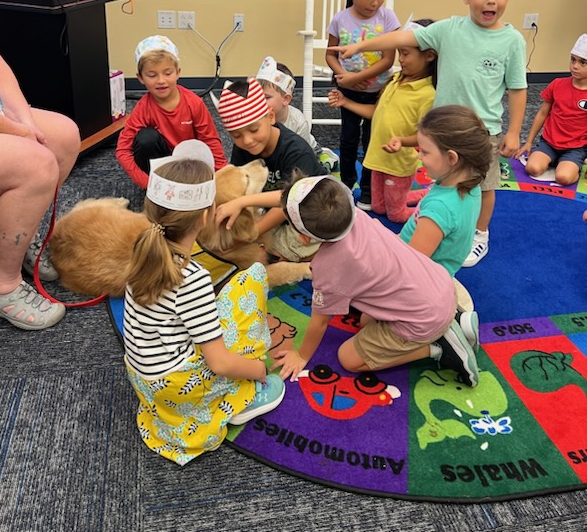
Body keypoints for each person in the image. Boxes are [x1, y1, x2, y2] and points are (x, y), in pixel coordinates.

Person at [329, 0, 527, 267]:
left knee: (483, 185)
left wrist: (515, 131)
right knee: (444, 178)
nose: (491, 0)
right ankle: (439, 222)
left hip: (482, 132)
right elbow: (401, 37)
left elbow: (517, 89)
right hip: (444, 128)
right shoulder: (447, 30)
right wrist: (361, 46)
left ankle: (479, 234)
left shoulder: (512, 41)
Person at [123, 139, 285, 466]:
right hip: (179, 387)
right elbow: (220, 363)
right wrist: (259, 370)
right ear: (205, 217)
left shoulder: (143, 249)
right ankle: (238, 400)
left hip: (144, 378)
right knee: (251, 279)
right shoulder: (191, 277)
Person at [252, 174, 480, 387]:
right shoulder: (354, 214)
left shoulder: (328, 268)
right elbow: (296, 198)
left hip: (423, 318)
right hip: (440, 286)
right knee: (366, 321)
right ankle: (453, 320)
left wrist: (301, 355)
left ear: (303, 237)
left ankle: (439, 347)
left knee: (349, 358)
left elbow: (320, 322)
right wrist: (241, 202)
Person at [0, 34, 80, 330]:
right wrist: (16, 131)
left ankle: (20, 236)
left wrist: (25, 121)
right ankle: (2, 287)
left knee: (64, 136)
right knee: (37, 165)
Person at [328, 19, 437, 221]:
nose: (400, 60)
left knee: (396, 215)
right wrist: (345, 102)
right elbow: (375, 112)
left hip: (398, 165)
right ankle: (424, 193)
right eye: (399, 53)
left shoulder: (427, 94)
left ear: (429, 56)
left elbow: (427, 136)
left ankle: (432, 211)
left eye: (405, 54)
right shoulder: (395, 80)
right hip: (378, 159)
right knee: (378, 208)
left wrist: (403, 142)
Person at [216, 77, 326, 261]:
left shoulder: (296, 150)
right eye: (236, 135)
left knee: (279, 249)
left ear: (271, 117)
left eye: (254, 130)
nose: (247, 141)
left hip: (311, 208)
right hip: (274, 209)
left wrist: (250, 235)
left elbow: (290, 200)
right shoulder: (243, 147)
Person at [325, 0, 400, 210]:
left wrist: (356, 78)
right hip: (348, 92)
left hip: (377, 93)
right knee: (347, 139)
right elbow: (330, 54)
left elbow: (388, 60)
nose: (375, 3)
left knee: (372, 142)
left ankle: (368, 190)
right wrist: (342, 77)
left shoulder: (388, 18)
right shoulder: (340, 19)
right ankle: (346, 185)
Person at [116, 35, 227, 188]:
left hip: (191, 164)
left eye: (167, 73)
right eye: (152, 75)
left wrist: (222, 176)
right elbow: (122, 150)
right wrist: (147, 183)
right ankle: (160, 187)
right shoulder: (143, 108)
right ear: (140, 78)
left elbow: (211, 141)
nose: (161, 80)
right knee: (145, 138)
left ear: (178, 72)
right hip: (162, 167)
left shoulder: (194, 102)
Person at [399, 105, 492, 278]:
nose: (419, 156)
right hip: (440, 275)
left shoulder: (439, 208)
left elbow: (410, 267)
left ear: (451, 158)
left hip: (417, 284)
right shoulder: (472, 185)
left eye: (425, 152)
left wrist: (381, 243)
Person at [518, 34, 587, 186]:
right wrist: (529, 142)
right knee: (532, 168)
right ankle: (555, 160)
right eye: (573, 60)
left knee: (563, 178)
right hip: (549, 142)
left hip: (575, 148)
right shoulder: (557, 84)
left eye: (583, 63)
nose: (575, 66)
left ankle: (572, 166)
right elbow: (542, 113)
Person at [256, 55, 339, 173]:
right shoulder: (257, 115)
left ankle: (327, 160)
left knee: (312, 172)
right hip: (276, 151)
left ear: (285, 99)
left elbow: (302, 155)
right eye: (257, 95)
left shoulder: (298, 122)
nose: (260, 101)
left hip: (307, 149)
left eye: (266, 97)